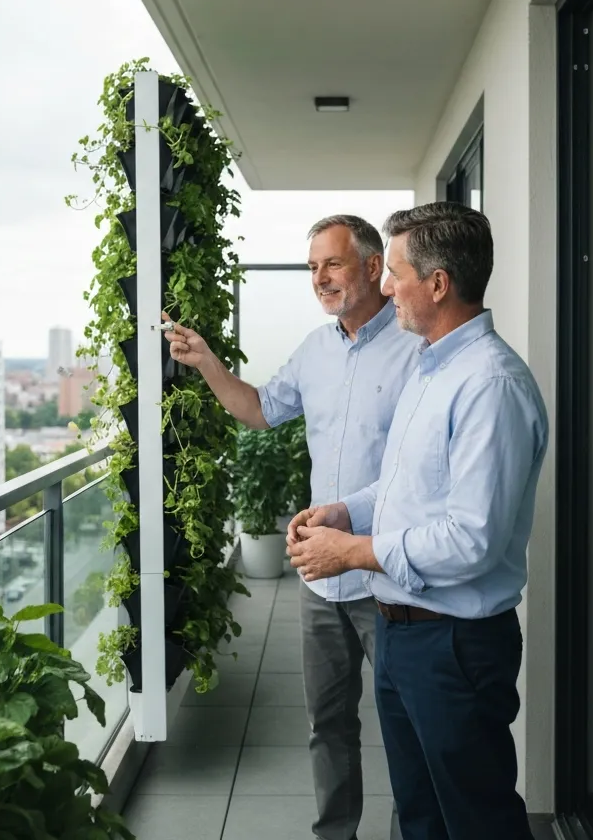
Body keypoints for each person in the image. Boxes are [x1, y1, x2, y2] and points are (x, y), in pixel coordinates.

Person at [287, 201, 549, 840]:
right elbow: (406, 487)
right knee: (424, 818)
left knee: (476, 820)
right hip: (403, 631)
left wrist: (351, 551)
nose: (383, 287)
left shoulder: (490, 384)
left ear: (437, 283)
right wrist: (347, 510)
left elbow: (472, 540)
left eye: (394, 273)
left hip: (453, 645)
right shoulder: (433, 367)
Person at [164, 214, 419, 840]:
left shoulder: (418, 347)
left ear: (370, 265)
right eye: (311, 267)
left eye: (331, 264)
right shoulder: (313, 350)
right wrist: (206, 363)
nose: (320, 279)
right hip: (319, 580)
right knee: (326, 722)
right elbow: (258, 410)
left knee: (409, 726)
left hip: (384, 574)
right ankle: (336, 833)